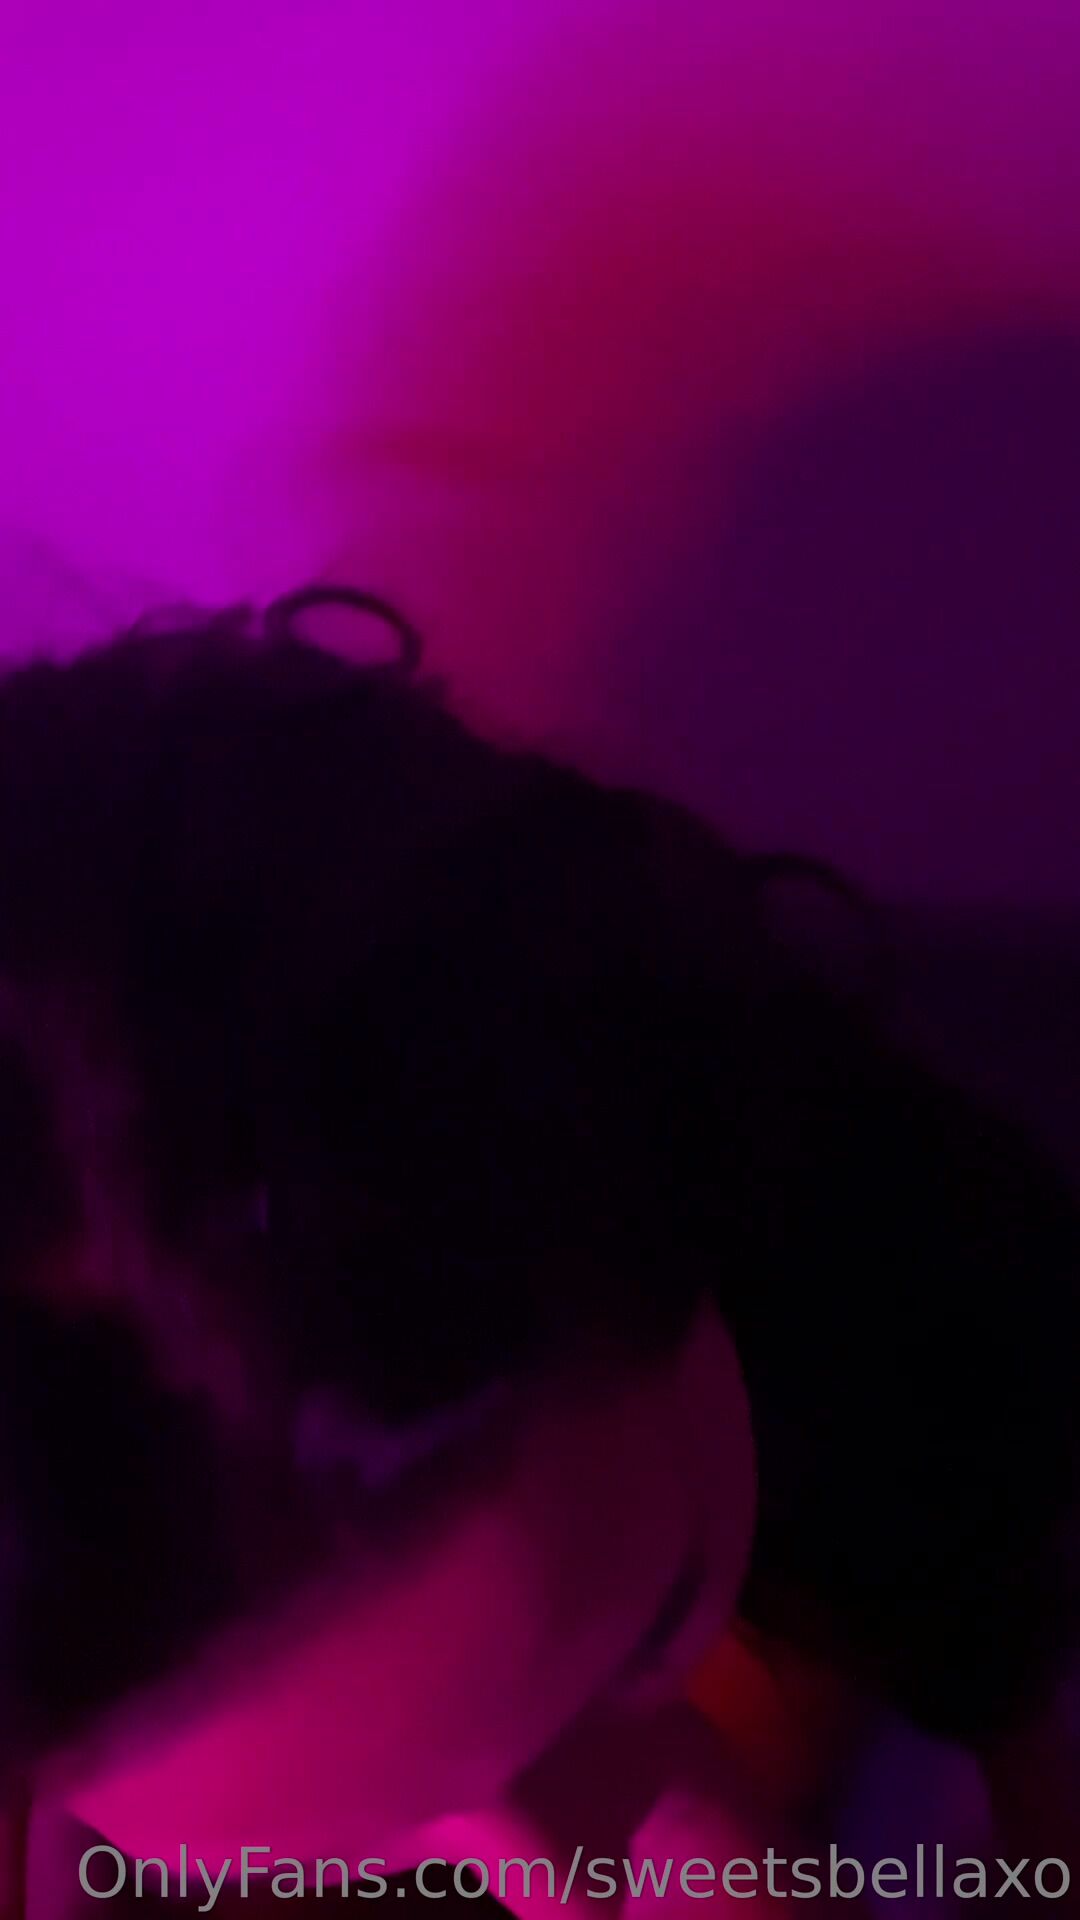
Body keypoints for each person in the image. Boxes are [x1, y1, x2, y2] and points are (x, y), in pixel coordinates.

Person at [0, 591, 1075, 1908]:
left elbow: (1014, 1719)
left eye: (652, 1627)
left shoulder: (897, 1376)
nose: (553, 1881)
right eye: (355, 1850)